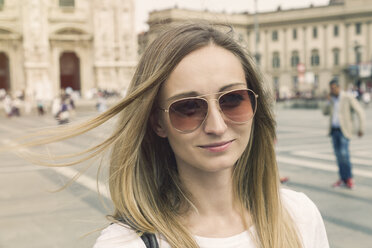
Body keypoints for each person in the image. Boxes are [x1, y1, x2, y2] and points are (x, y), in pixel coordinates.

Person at [13, 23, 329, 248]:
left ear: (255, 103)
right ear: (157, 123)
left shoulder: (298, 215)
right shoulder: (125, 245)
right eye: (188, 108)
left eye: (233, 99)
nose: (217, 126)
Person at [323, 79, 365, 189]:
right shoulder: (331, 99)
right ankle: (342, 178)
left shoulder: (347, 97)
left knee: (344, 154)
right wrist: (327, 101)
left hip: (344, 131)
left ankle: (349, 178)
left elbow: (360, 111)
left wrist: (361, 128)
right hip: (334, 130)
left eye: (333, 88)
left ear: (338, 87)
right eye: (330, 88)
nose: (332, 90)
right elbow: (324, 112)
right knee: (338, 156)